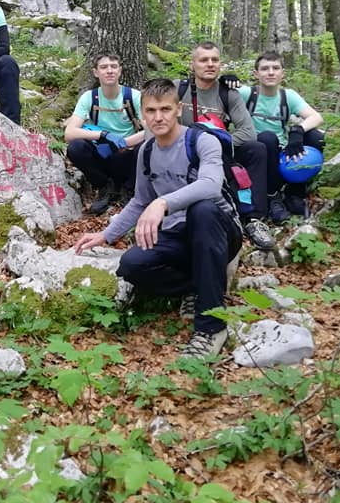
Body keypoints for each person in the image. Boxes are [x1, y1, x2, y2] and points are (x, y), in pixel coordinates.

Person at [74, 78, 241, 360]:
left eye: (165, 109)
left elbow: (211, 185)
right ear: (142, 115)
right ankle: (201, 283)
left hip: (218, 230)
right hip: (178, 235)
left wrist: (163, 202)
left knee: (202, 209)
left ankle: (212, 327)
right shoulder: (148, 151)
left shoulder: (202, 141)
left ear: (178, 109)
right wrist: (106, 235)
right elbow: (140, 200)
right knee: (132, 265)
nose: (158, 117)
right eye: (151, 111)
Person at [176, 42, 275, 250]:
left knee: (256, 149)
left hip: (219, 152)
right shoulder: (178, 88)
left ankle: (254, 218)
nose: (210, 64)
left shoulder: (228, 93)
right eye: (204, 60)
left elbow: (248, 132)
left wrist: (214, 143)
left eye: (215, 60)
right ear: (192, 64)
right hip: (183, 151)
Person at [240, 51, 325, 222]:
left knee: (315, 137)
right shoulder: (246, 94)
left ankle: (295, 192)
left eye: (275, 68)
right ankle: (273, 197)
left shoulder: (288, 96)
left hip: (282, 151)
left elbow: (316, 117)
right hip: (258, 153)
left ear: (282, 73)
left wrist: (298, 131)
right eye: (265, 69)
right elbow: (218, 93)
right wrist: (226, 80)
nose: (270, 73)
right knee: (267, 138)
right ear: (256, 74)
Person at [64, 53, 145, 215]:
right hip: (102, 154)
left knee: (146, 146)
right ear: (96, 72)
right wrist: (104, 135)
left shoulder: (134, 96)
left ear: (120, 70)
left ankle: (129, 189)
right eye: (104, 67)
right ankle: (105, 187)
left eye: (114, 67)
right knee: (76, 147)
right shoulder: (89, 98)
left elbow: (152, 129)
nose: (109, 71)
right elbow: (69, 133)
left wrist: (125, 142)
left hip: (127, 156)